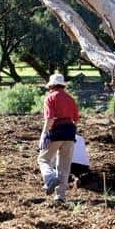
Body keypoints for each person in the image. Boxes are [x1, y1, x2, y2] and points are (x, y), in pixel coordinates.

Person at [38, 73, 80, 202]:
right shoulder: (70, 98)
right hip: (70, 133)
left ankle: (50, 179)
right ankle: (60, 196)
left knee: (43, 159)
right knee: (64, 166)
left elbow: (50, 119)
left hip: (56, 132)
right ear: (63, 85)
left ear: (51, 86)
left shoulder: (50, 98)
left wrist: (44, 135)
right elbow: (76, 119)